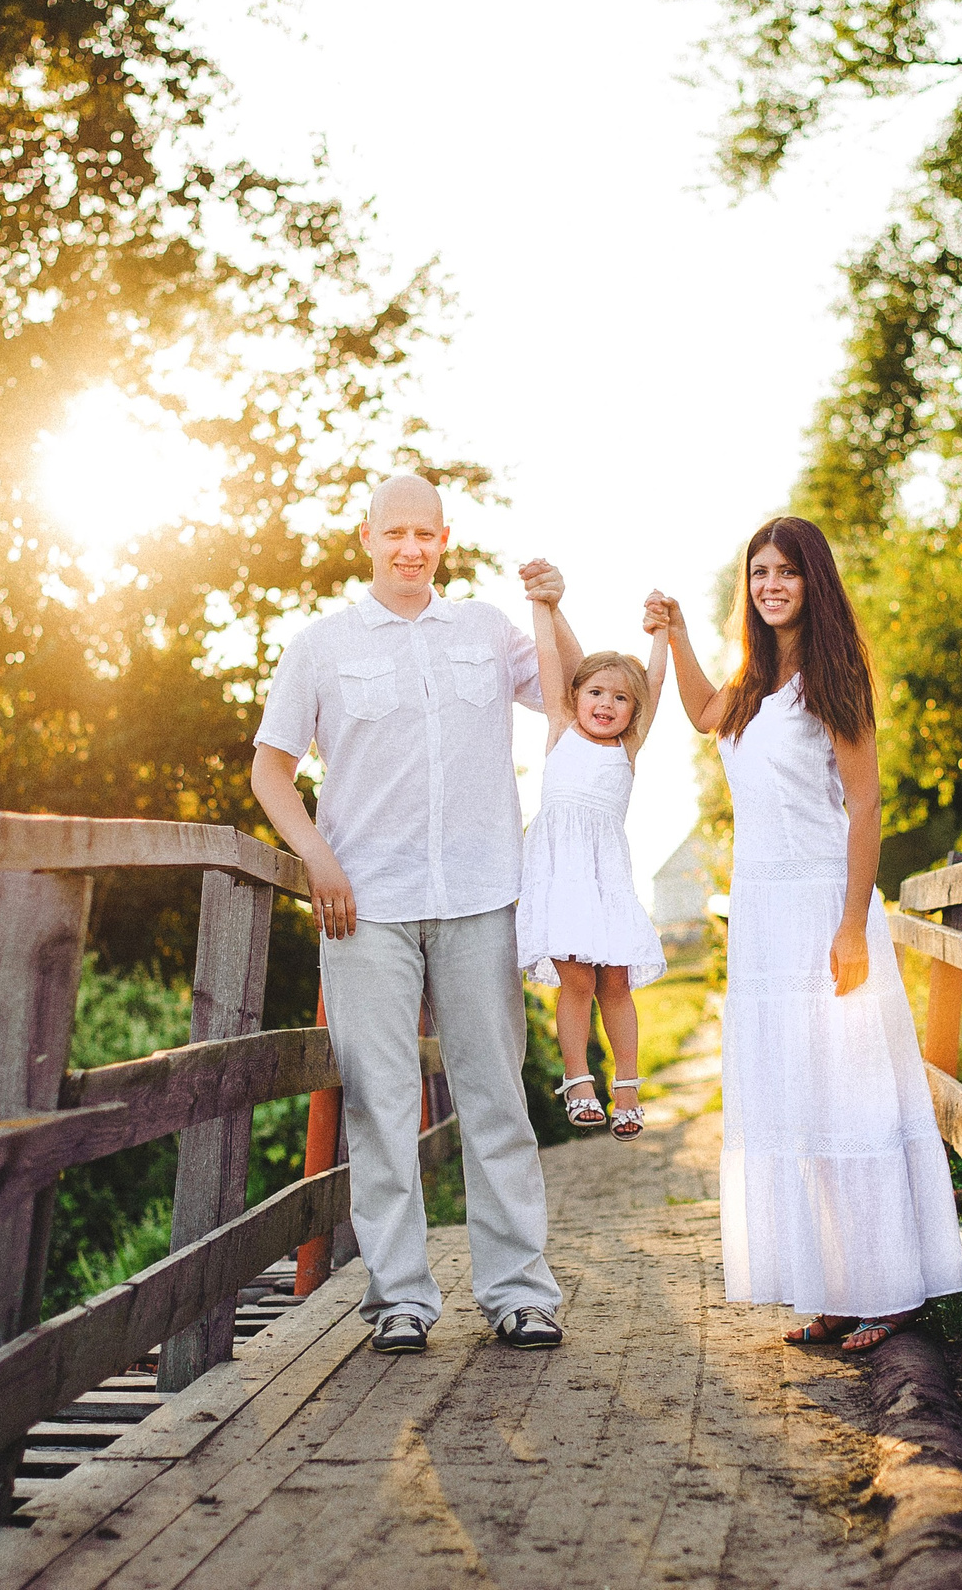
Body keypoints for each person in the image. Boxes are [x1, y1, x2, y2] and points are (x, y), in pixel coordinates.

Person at [250, 474, 570, 1356]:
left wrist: (549, 607)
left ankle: (518, 1293)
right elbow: (270, 770)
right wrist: (317, 858)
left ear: (444, 538)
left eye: (424, 534)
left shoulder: (484, 629)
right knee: (381, 1106)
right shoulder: (321, 645)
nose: (410, 548)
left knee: (496, 1098)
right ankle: (400, 1298)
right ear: (367, 537)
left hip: (478, 897)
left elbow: (571, 694)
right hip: (368, 908)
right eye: (394, 533)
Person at [644, 516, 962, 1352]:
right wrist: (676, 634)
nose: (771, 585)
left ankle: (892, 1291)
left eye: (786, 571)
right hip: (762, 914)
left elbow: (865, 805)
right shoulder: (750, 685)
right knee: (799, 1100)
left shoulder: (835, 678)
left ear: (811, 580)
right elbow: (704, 713)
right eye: (759, 572)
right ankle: (833, 1286)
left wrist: (854, 924)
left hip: (827, 906)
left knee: (853, 1095)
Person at [516, 590, 671, 1141]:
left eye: (620, 698)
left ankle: (626, 1085)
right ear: (575, 696)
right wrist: (543, 607)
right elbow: (549, 656)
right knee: (575, 981)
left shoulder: (627, 748)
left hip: (607, 882)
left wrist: (661, 632)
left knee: (617, 983)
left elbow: (653, 684)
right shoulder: (560, 728)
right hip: (562, 880)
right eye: (596, 692)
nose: (607, 704)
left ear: (634, 711)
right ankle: (578, 1079)